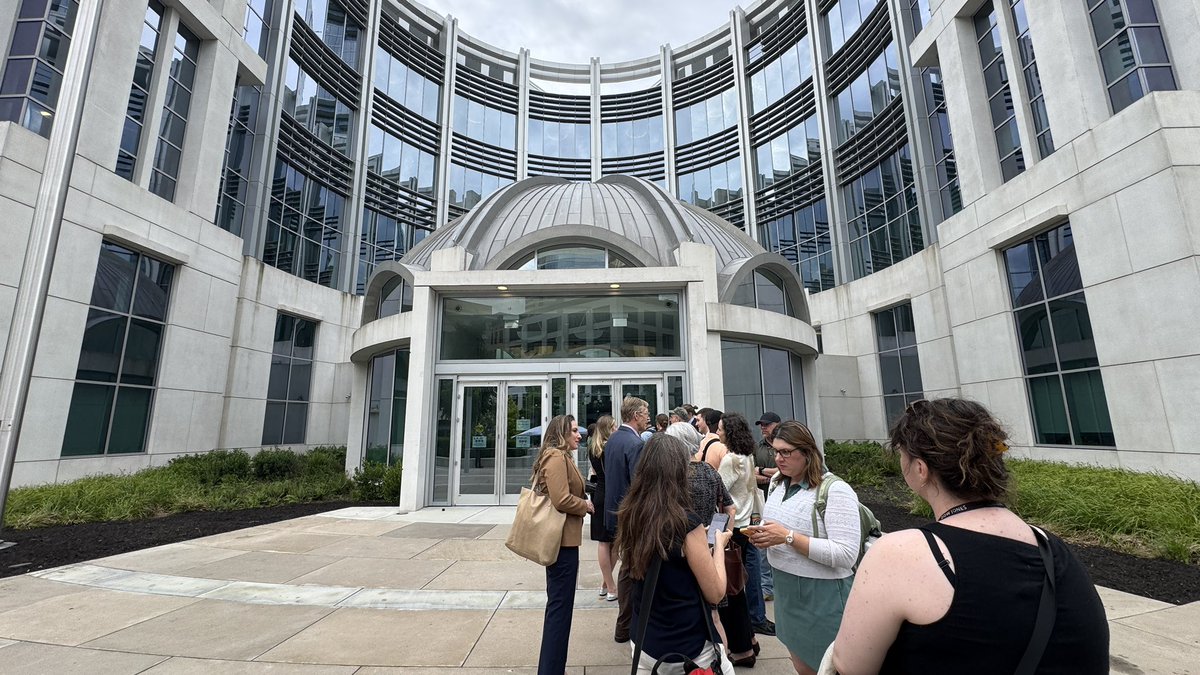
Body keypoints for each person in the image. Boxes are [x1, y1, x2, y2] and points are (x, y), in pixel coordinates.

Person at [830, 398, 1109, 675]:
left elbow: (850, 666)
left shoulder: (901, 553)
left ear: (920, 469)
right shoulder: (1052, 547)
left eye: (903, 455)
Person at [616, 434, 736, 675]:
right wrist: (718, 547)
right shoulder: (685, 523)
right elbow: (715, 592)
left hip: (644, 642)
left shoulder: (630, 513)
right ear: (680, 471)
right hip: (688, 649)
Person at [748, 420, 861, 675]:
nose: (778, 458)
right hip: (787, 593)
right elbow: (778, 527)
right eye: (776, 451)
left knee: (831, 667)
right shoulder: (778, 483)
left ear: (807, 452)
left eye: (786, 452)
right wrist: (764, 536)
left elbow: (845, 554)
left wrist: (788, 537)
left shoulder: (836, 490)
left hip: (823, 596)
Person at [534, 414, 594, 675]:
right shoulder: (556, 458)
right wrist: (586, 506)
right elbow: (560, 500)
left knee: (559, 607)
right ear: (560, 433)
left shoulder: (560, 456)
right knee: (560, 609)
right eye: (573, 431)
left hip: (564, 542)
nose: (579, 435)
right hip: (562, 545)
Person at [713, 412, 765, 665]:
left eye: (721, 429)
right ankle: (750, 639)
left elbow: (718, 494)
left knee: (731, 590)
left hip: (730, 529)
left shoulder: (730, 460)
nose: (718, 432)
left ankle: (742, 648)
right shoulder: (747, 456)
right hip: (745, 527)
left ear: (729, 432)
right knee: (739, 586)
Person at [605, 395, 650, 644]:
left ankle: (625, 625)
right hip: (631, 515)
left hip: (617, 512)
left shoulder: (614, 439)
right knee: (631, 568)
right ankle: (625, 625)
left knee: (628, 566)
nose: (648, 417)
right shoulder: (635, 444)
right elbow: (638, 485)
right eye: (645, 413)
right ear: (635, 416)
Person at [588, 414, 618, 602]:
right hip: (611, 494)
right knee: (614, 541)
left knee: (603, 541)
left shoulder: (593, 448)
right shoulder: (611, 448)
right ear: (608, 428)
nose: (616, 429)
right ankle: (610, 585)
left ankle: (606, 583)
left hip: (599, 493)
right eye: (614, 426)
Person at [753, 412, 781, 603]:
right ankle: (767, 586)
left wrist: (763, 471)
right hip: (764, 499)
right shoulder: (759, 447)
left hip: (783, 498)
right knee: (763, 543)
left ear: (777, 425)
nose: (763, 428)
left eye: (767, 424)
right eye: (761, 425)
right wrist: (769, 475)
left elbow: (784, 472)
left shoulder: (785, 444)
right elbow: (751, 472)